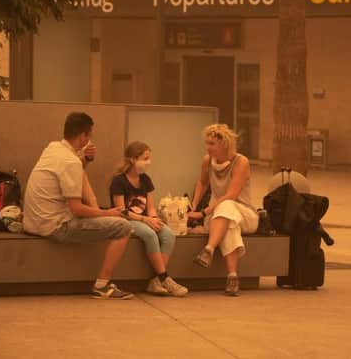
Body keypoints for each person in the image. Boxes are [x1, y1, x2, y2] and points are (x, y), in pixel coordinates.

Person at [23, 112, 134, 300]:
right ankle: (102, 285)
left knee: (81, 173)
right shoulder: (70, 161)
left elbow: (74, 173)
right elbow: (76, 209)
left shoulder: (53, 148)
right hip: (55, 226)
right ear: (83, 136)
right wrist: (106, 213)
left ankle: (102, 213)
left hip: (33, 221)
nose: (89, 139)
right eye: (89, 135)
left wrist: (85, 160)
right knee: (123, 227)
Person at [187, 124, 259, 296]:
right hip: (220, 216)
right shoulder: (207, 161)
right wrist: (193, 206)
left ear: (224, 144)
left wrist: (204, 212)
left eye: (212, 144)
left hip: (245, 214)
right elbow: (202, 183)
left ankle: (209, 249)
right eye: (207, 143)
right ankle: (232, 277)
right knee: (229, 225)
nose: (208, 148)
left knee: (226, 207)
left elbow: (231, 195)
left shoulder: (241, 162)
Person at [110, 141, 188, 297]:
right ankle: (165, 278)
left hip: (145, 218)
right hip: (127, 220)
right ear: (133, 159)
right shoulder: (119, 181)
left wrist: (153, 218)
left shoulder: (145, 179)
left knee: (168, 234)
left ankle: (155, 281)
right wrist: (145, 220)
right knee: (150, 234)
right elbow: (121, 210)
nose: (148, 162)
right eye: (145, 158)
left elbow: (150, 206)